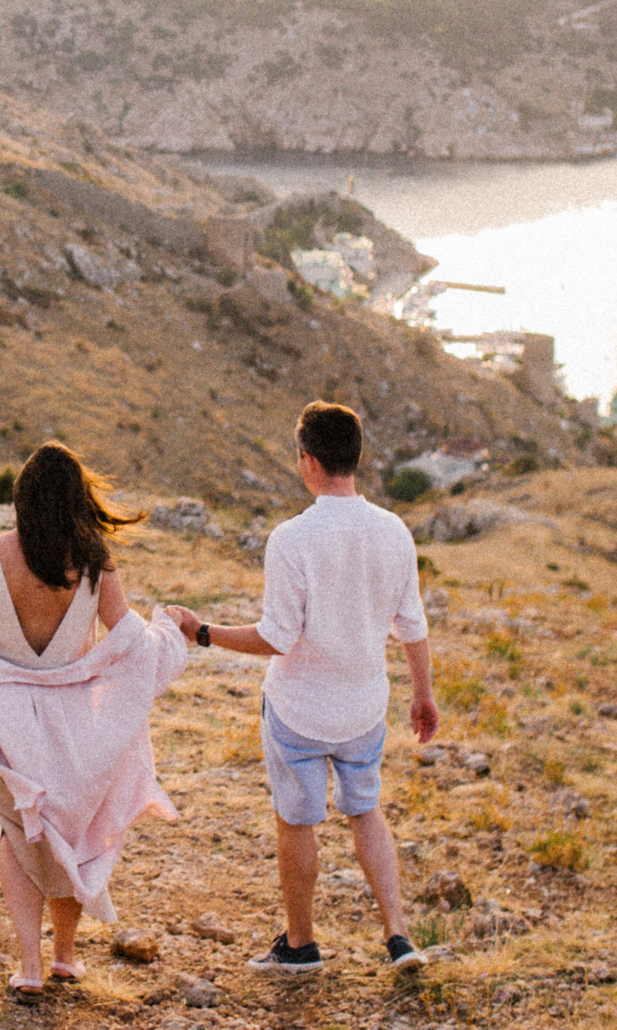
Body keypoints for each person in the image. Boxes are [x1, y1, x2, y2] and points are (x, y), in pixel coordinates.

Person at [164, 401, 439, 974]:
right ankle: (399, 937)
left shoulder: (292, 538)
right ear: (355, 459)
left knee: (298, 820)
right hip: (364, 706)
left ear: (308, 461)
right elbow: (412, 624)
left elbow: (278, 638)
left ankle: (300, 945)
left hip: (299, 710)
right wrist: (423, 695)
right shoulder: (394, 532)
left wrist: (204, 633)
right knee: (366, 813)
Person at [0, 442, 187, 997]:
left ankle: (28, 965)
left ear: (21, 497)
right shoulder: (95, 560)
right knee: (71, 833)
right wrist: (174, 630)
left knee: (18, 836)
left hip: (6, 728)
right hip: (77, 728)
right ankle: (66, 956)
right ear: (78, 499)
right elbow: (130, 647)